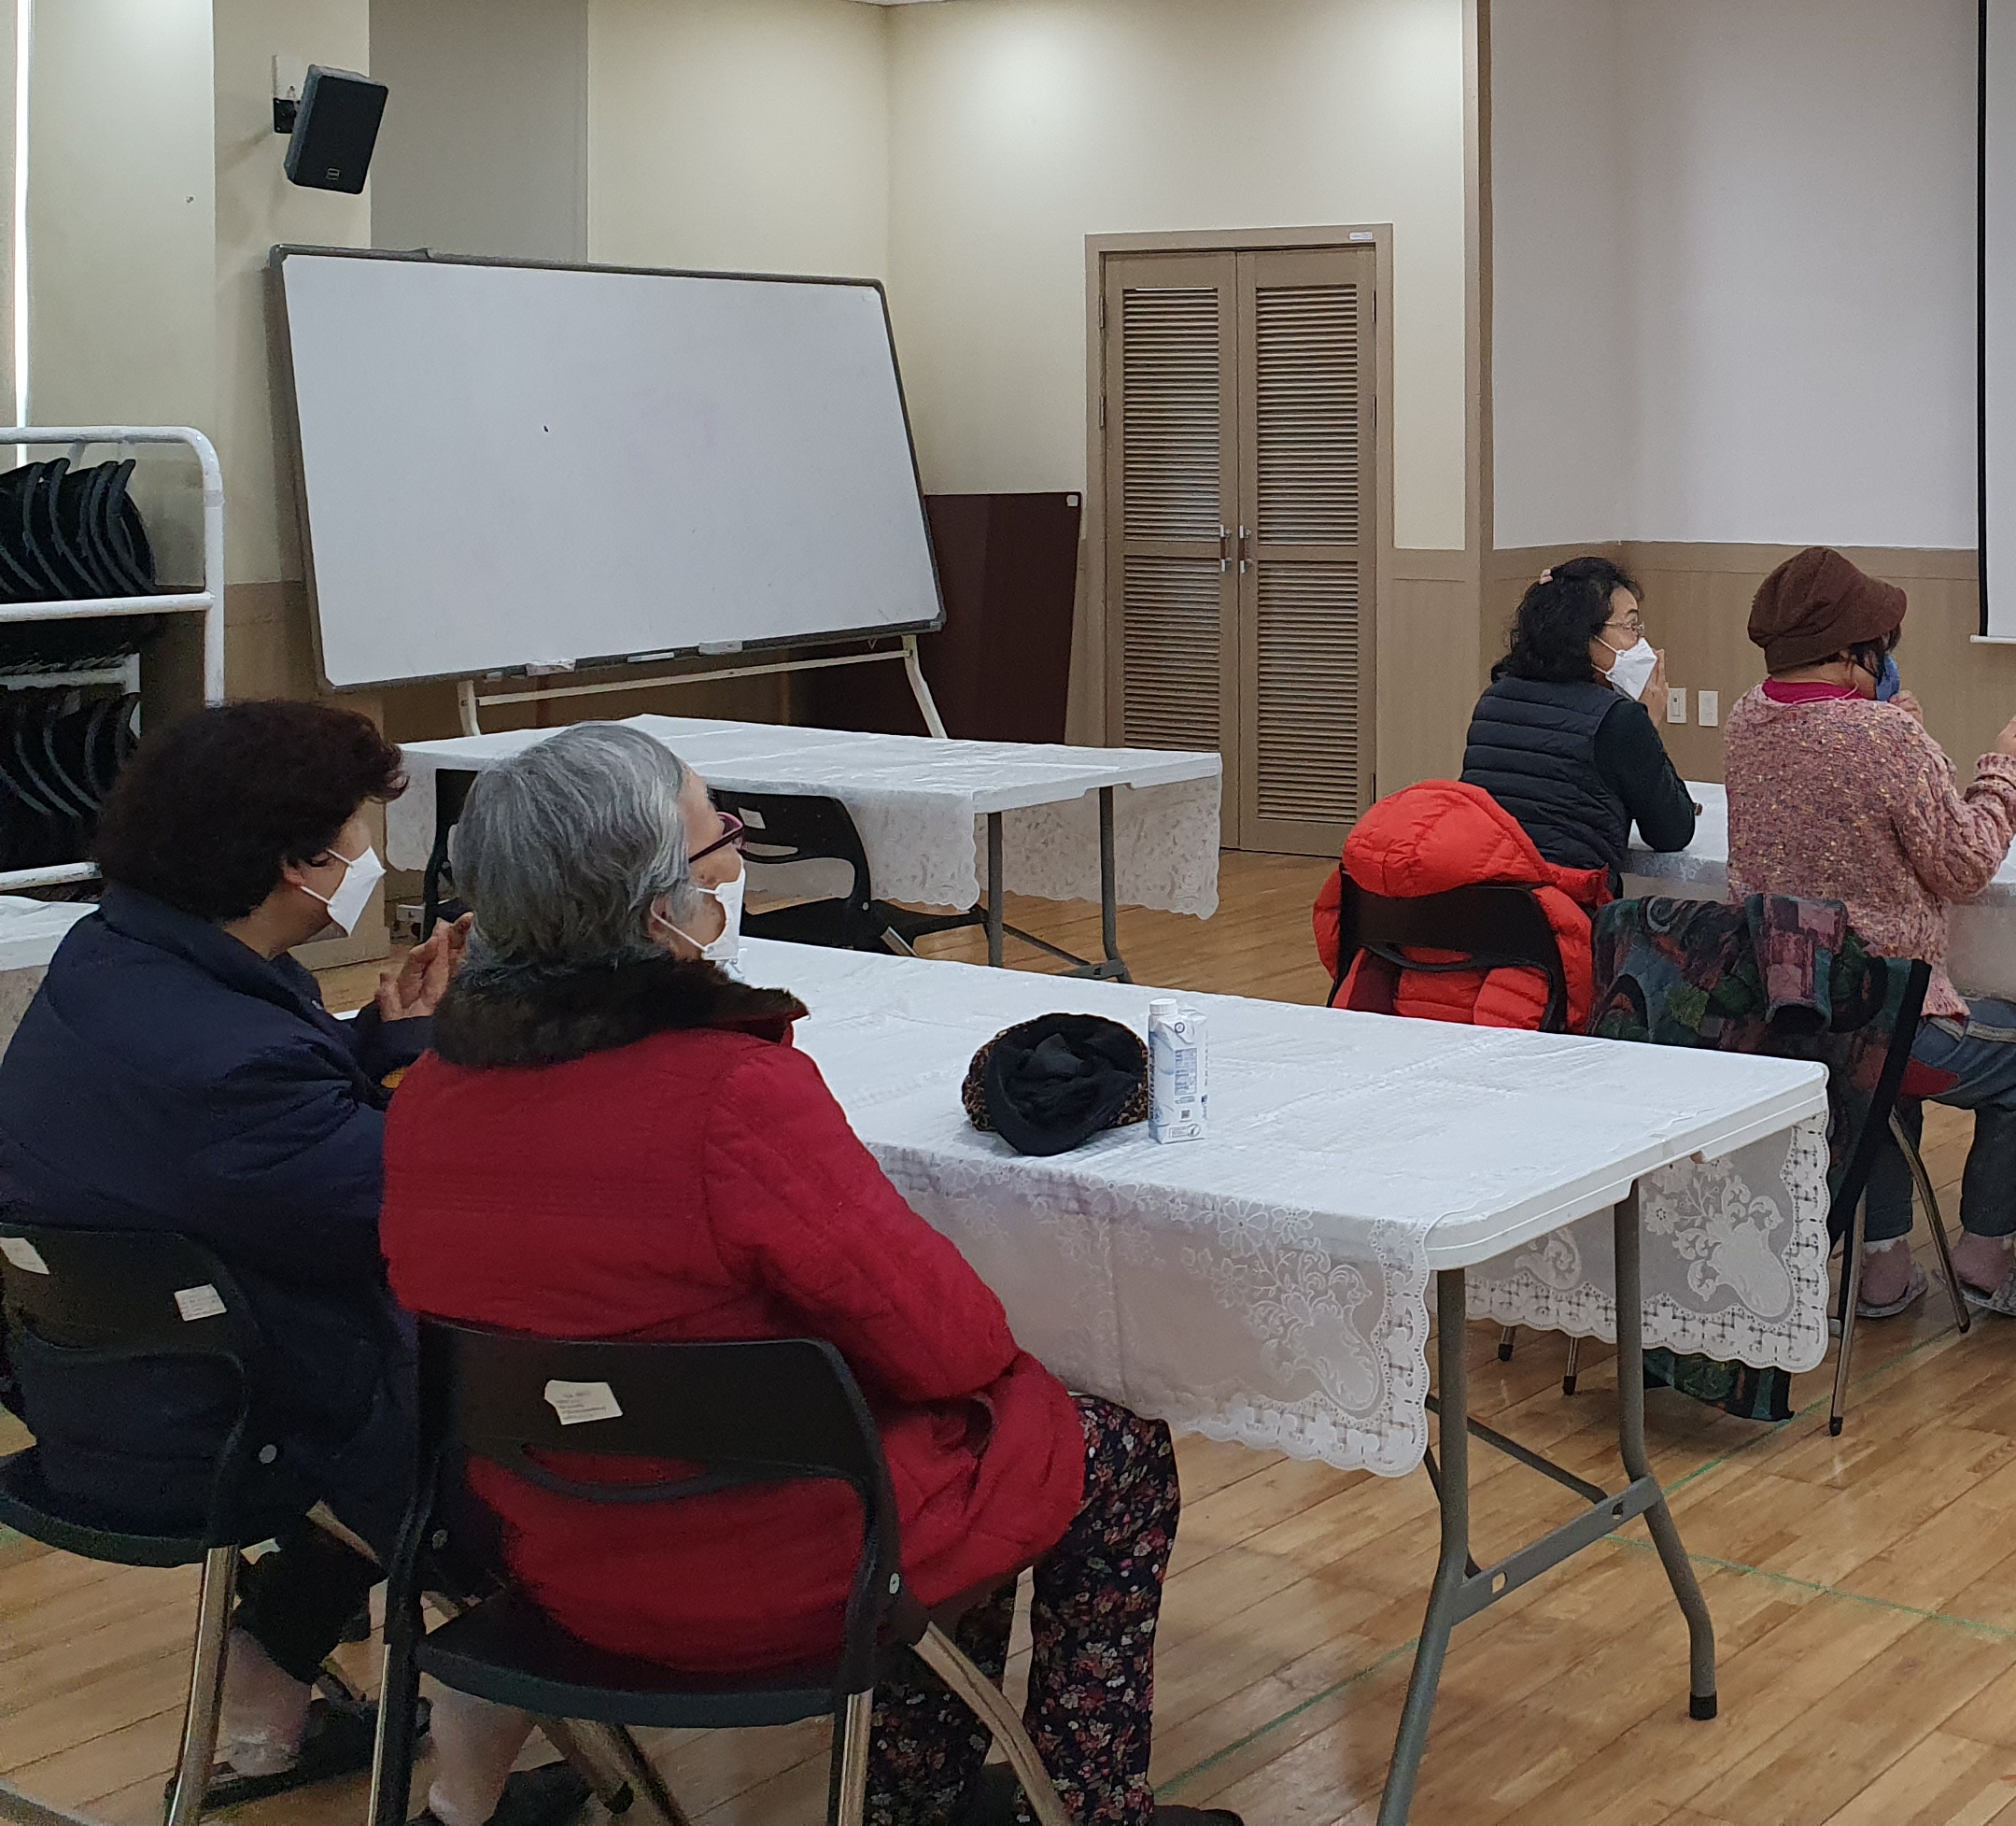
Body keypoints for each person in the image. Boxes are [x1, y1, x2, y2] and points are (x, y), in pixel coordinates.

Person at [379, 725, 1233, 1826]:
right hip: (779, 1573)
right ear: (656, 911)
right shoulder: (730, 1096)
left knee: (960, 1447)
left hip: (560, 1563)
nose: (734, 863)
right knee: (1086, 1442)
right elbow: (952, 1344)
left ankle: (916, 1794)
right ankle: (1084, 1803)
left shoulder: (429, 1101)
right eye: (720, 843)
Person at [0, 701, 560, 1824]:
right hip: (212, 1429)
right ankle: (466, 1788)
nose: (366, 859)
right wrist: (466, 1066)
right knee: (551, 1409)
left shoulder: (117, 957)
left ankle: (265, 1692)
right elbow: (410, 1212)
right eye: (354, 837)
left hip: (105, 1384)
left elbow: (250, 1151)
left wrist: (385, 1041)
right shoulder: (231, 1064)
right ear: (297, 865)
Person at [1719, 545, 2016, 1318]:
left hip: (1783, 1011)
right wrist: (2004, 772)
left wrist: (1895, 736)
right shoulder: (1885, 741)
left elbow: (1827, 770)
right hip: (1880, 1016)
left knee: (1872, 1069)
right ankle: (1985, 1252)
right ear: (1850, 654)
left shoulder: (1746, 718)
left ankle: (1883, 1265)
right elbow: (1964, 865)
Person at [1459, 554, 1696, 874]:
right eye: (1629, 627)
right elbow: (1673, 832)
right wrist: (1648, 728)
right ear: (1584, 635)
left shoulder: (1493, 701)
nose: (1641, 643)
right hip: (1570, 895)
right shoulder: (1619, 719)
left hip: (1485, 889)